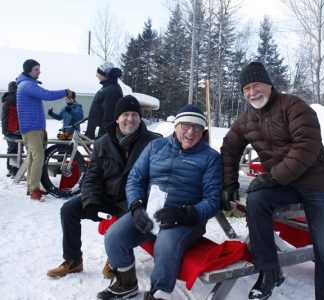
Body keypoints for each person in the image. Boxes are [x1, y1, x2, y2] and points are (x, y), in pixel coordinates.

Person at [220, 62, 324, 300]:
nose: (252, 92)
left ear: (268, 84)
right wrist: (229, 183)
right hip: (286, 184)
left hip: (318, 182)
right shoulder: (246, 119)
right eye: (246, 88)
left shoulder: (293, 106)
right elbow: (229, 149)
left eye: (256, 85)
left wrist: (272, 176)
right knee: (256, 201)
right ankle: (269, 272)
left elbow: (306, 146)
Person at [96, 104, 222, 300]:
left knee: (166, 242)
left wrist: (184, 214)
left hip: (185, 218)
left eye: (197, 127)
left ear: (203, 131)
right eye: (186, 125)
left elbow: (213, 200)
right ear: (176, 126)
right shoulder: (156, 146)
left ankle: (160, 293)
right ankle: (126, 283)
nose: (191, 132)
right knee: (114, 236)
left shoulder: (211, 158)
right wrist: (137, 206)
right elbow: (135, 178)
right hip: (151, 210)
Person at [46, 95, 160, 279]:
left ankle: (116, 260)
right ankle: (73, 260)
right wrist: (90, 202)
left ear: (140, 118)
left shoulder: (154, 142)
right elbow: (92, 177)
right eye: (125, 115)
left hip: (134, 201)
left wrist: (140, 203)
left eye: (134, 115)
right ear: (117, 118)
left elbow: (158, 180)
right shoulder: (102, 143)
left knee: (122, 228)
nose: (130, 119)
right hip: (108, 197)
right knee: (69, 210)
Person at [16, 59, 74, 201]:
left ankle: (32, 187)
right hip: (31, 128)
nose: (39, 71)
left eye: (39, 69)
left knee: (32, 157)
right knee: (38, 157)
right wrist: (65, 92)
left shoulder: (28, 84)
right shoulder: (26, 85)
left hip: (36, 127)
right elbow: (47, 95)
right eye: (36, 69)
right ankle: (34, 189)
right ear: (28, 70)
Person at [85, 61, 123, 139]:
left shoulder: (112, 89)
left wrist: (103, 135)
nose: (97, 76)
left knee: (100, 151)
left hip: (104, 133)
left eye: (98, 73)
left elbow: (110, 115)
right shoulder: (106, 88)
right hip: (98, 131)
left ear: (105, 74)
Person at [1, 81, 21, 177]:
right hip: (13, 128)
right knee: (16, 149)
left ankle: (10, 169)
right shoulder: (15, 98)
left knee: (12, 149)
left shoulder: (6, 98)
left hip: (7, 128)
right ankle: (14, 171)